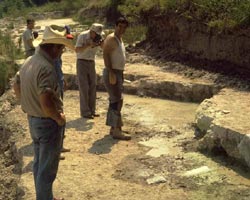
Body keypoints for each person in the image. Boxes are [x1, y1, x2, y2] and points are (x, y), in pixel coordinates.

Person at [13, 25, 74, 200]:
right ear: (54, 47)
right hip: (47, 123)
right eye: (61, 48)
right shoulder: (46, 68)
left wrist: (25, 104)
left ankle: (46, 196)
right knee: (47, 170)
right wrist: (59, 118)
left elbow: (16, 84)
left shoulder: (30, 61)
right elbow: (46, 102)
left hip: (33, 120)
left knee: (39, 164)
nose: (62, 51)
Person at [102, 17, 131, 140]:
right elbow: (105, 54)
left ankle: (114, 127)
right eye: (120, 26)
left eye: (124, 27)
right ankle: (116, 130)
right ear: (115, 26)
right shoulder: (112, 38)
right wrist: (111, 72)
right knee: (116, 100)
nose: (122, 29)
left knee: (117, 100)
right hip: (113, 72)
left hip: (118, 72)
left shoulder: (120, 39)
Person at [75, 23, 104, 119]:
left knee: (93, 85)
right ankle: (85, 112)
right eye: (96, 33)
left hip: (91, 62)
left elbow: (103, 47)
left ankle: (92, 110)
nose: (97, 35)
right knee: (84, 87)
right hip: (82, 62)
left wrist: (101, 43)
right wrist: (88, 45)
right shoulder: (82, 36)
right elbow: (77, 50)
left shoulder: (99, 37)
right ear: (91, 31)